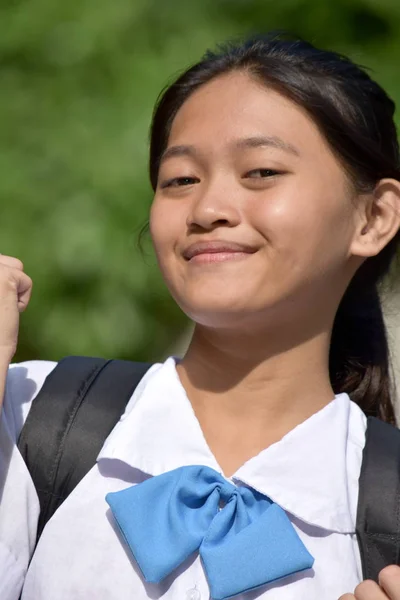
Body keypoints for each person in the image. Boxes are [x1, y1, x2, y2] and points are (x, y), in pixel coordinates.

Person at [1, 32, 400, 600]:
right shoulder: (28, 416)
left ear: (373, 218)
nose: (208, 209)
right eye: (180, 180)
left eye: (261, 172)